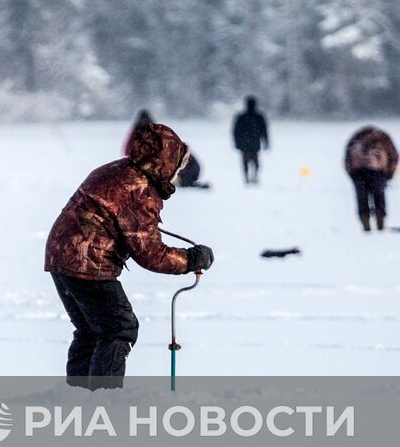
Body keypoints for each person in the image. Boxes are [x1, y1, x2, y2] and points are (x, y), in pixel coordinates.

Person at [45, 121, 215, 388]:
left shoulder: (117, 169)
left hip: (60, 255)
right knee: (119, 327)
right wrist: (191, 260)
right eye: (176, 168)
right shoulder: (139, 190)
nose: (176, 176)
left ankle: (77, 395)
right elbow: (150, 253)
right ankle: (103, 399)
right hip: (87, 261)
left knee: (91, 330)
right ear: (165, 162)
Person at [344, 125, 399, 232]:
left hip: (360, 172)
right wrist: (389, 174)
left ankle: (369, 226)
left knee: (362, 198)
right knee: (378, 197)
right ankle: (378, 225)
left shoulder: (358, 137)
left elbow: (347, 157)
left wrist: (351, 173)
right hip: (373, 171)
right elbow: (393, 156)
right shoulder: (383, 138)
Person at [231, 96, 269, 184]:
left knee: (246, 162)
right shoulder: (258, 116)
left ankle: (247, 178)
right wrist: (266, 142)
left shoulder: (242, 117)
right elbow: (264, 131)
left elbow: (236, 132)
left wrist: (237, 143)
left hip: (245, 144)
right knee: (255, 162)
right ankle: (252, 177)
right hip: (254, 144)